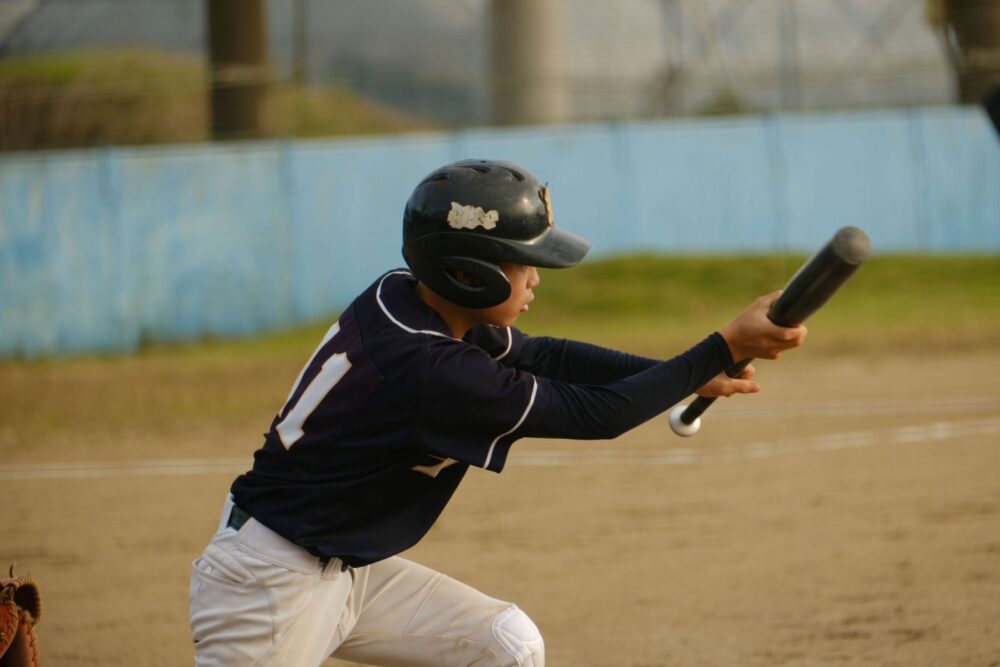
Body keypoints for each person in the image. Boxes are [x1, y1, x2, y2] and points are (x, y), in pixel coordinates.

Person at [188, 158, 806, 666]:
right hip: (269, 586)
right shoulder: (432, 370)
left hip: (343, 567)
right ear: (469, 274)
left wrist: (693, 370)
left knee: (506, 645)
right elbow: (601, 415)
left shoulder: (405, 300)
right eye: (522, 263)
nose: (536, 279)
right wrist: (721, 347)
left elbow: (548, 356)